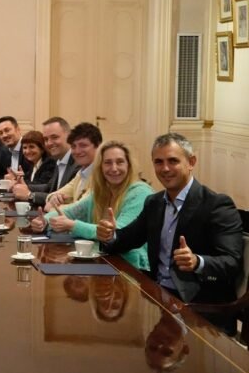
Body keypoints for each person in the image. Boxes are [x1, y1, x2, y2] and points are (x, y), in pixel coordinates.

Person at [97, 133, 244, 334]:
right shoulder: (154, 203)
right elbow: (127, 239)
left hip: (197, 308)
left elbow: (232, 262)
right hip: (156, 297)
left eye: (173, 161)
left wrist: (197, 262)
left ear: (191, 162)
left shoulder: (216, 205)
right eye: (159, 162)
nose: (165, 168)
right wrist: (110, 235)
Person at [31, 141, 153, 270]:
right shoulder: (100, 192)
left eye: (120, 162)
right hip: (101, 260)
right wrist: (44, 221)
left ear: (129, 165)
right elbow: (70, 212)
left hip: (132, 268)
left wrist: (73, 225)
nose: (114, 168)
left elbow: (119, 233)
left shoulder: (140, 193)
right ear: (100, 167)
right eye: (108, 163)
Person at [12, 117, 80, 207]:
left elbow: (63, 199)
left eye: (54, 137)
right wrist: (24, 186)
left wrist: (30, 195)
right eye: (46, 139)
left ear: (69, 137)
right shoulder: (59, 160)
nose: (49, 143)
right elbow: (49, 187)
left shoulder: (78, 164)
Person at [43, 122, 102, 210]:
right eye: (73, 147)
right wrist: (53, 198)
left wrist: (53, 207)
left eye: (83, 145)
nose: (77, 151)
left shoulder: (102, 174)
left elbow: (80, 210)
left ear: (98, 146)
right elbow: (52, 195)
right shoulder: (81, 174)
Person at [0, 116, 32, 183]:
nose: (4, 135)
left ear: (18, 129)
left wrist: (18, 179)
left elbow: (36, 179)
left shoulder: (30, 148)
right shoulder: (4, 151)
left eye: (7, 130)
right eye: (0, 133)